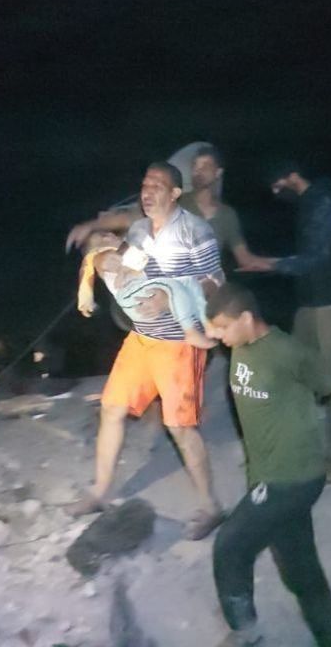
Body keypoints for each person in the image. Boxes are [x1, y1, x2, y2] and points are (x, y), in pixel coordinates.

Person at [204, 282, 331, 647]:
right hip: (266, 474)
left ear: (246, 319)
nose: (216, 336)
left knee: (230, 548)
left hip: (291, 478)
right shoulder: (240, 346)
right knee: (302, 572)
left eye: (221, 328)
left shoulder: (286, 351)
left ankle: (246, 632)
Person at [68, 161, 226, 541]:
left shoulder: (196, 232)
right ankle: (100, 491)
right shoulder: (139, 229)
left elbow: (214, 282)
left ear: (175, 193)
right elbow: (138, 266)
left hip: (178, 343)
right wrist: (111, 262)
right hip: (141, 337)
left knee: (180, 428)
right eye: (144, 184)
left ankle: (211, 507)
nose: (148, 191)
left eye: (157, 185)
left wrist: (170, 298)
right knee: (112, 409)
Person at [241, 160, 331, 482]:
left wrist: (268, 264)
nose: (276, 192)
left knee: (329, 379)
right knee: (292, 372)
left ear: (291, 175)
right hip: (308, 303)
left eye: (277, 185)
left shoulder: (324, 197)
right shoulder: (305, 204)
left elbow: (318, 256)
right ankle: (296, 444)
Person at [64, 144, 262, 270]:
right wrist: (91, 225)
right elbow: (132, 217)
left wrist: (278, 264)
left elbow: (245, 258)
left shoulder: (228, 215)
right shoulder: (178, 200)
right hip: (162, 281)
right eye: (195, 165)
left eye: (205, 166)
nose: (198, 170)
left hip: (202, 293)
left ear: (218, 173)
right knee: (101, 246)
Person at [77, 231, 217, 349]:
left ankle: (207, 324)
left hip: (143, 291)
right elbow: (136, 260)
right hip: (135, 298)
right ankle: (191, 332)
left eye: (106, 233)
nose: (108, 236)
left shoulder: (123, 248)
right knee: (174, 287)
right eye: (102, 238)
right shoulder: (105, 258)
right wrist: (118, 254)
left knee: (189, 283)